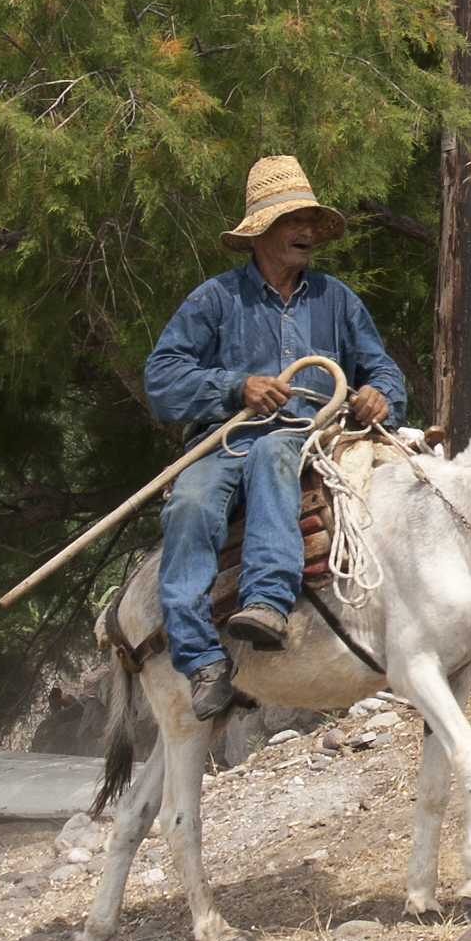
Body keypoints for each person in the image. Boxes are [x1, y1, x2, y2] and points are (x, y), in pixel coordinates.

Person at [143, 155, 411, 722]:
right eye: (293, 221)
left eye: (310, 221)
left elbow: (382, 371)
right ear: (261, 233)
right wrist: (236, 387)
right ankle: (200, 659)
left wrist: (377, 395)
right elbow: (163, 377)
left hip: (311, 435)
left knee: (274, 451)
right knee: (188, 504)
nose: (306, 232)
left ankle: (268, 599)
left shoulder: (337, 299)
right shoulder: (215, 299)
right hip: (225, 439)